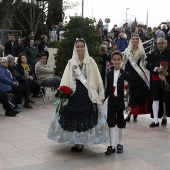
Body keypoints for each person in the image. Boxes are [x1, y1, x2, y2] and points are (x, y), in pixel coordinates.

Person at [47, 38, 109, 152]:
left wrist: (100, 94)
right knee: (73, 118)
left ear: (85, 47)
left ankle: (81, 142)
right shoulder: (71, 62)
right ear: (75, 48)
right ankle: (75, 142)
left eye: (82, 46)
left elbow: (97, 79)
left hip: (87, 93)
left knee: (84, 118)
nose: (80, 48)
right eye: (78, 46)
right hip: (74, 93)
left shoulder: (90, 61)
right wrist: (64, 92)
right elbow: (66, 77)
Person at [105, 51, 131, 155]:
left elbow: (129, 91)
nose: (116, 61)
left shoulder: (126, 74)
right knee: (111, 122)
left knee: (121, 123)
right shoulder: (109, 73)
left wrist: (129, 105)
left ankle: (120, 143)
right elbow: (108, 89)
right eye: (114, 59)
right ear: (111, 61)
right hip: (112, 101)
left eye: (118, 59)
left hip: (122, 102)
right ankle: (112, 145)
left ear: (121, 60)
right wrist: (103, 98)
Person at [122, 34, 149, 121]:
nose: (135, 40)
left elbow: (144, 63)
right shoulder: (126, 51)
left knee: (137, 94)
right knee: (127, 93)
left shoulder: (141, 51)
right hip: (128, 73)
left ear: (138, 40)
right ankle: (128, 112)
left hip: (137, 74)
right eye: (133, 39)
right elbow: (123, 62)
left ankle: (135, 112)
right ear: (131, 40)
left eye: (137, 39)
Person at [146, 37, 170, 127]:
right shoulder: (153, 53)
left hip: (167, 80)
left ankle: (164, 117)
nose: (160, 45)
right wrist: (155, 68)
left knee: (165, 99)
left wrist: (168, 72)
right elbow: (147, 64)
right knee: (155, 98)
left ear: (166, 44)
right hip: (155, 80)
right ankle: (155, 120)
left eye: (162, 43)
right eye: (158, 43)